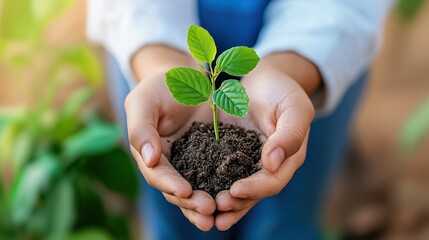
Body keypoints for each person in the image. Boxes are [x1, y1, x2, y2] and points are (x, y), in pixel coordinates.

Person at [87, 0, 393, 239]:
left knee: (286, 219)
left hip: (318, 44)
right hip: (149, 34)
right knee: (175, 227)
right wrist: (160, 61)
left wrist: (286, 69)